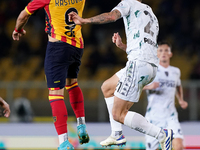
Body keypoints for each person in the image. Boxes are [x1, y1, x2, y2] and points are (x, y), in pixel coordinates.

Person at [69, 0, 173, 150]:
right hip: (149, 66)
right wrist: (124, 46)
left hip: (138, 64)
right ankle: (116, 134)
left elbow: (112, 16)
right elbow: (145, 46)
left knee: (118, 114)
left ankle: (161, 134)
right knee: (107, 87)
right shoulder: (151, 13)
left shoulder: (128, 3)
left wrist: (84, 20)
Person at [12, 0, 89, 149]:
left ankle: (64, 142)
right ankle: (81, 124)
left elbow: (23, 16)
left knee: (55, 94)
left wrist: (18, 29)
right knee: (72, 84)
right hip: (77, 46)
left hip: (58, 47)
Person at [143, 42, 188, 150]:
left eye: (166, 50)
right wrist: (150, 86)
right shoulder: (151, 70)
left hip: (170, 116)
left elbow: (178, 85)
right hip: (153, 118)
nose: (163, 53)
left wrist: (181, 100)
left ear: (171, 54)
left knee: (179, 146)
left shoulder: (176, 71)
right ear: (156, 54)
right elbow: (137, 85)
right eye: (160, 50)